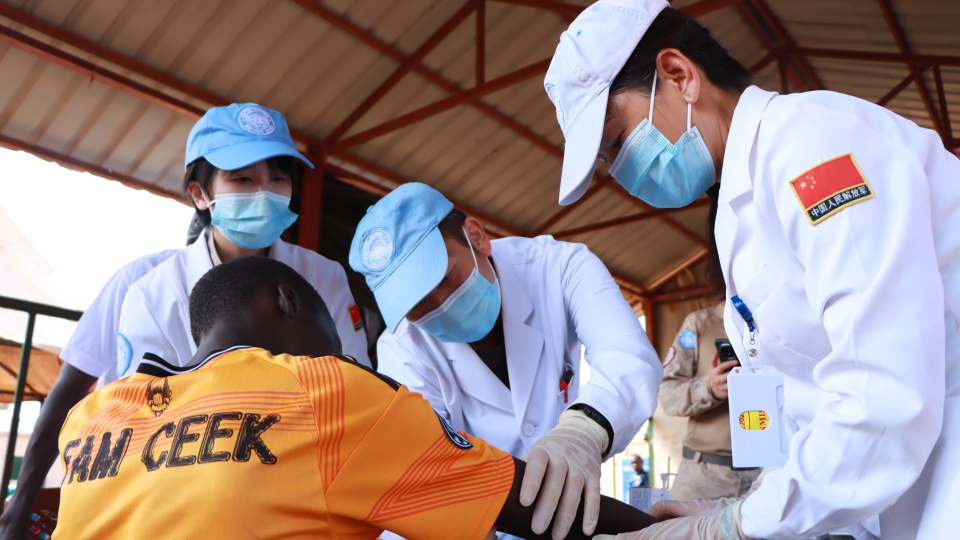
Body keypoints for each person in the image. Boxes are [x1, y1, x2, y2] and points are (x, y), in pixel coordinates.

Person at [544, 0, 960, 538]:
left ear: (678, 75)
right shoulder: (742, 204)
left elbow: (882, 397)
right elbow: (807, 409)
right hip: (898, 500)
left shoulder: (812, 148)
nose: (622, 170)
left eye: (618, 141)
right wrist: (741, 512)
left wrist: (737, 525)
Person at [53, 256, 657, 539]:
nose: (342, 351)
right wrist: (681, 529)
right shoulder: (323, 392)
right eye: (335, 334)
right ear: (288, 301)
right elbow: (529, 504)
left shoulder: (92, 420)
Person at [348, 182, 663, 539]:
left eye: (444, 277)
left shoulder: (559, 267)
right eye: (415, 304)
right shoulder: (402, 346)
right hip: (476, 520)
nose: (439, 306)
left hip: (566, 511)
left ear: (476, 237)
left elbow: (627, 357)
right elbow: (422, 463)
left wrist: (584, 431)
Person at [116, 103, 370, 377]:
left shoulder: (325, 276)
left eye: (278, 178)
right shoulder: (154, 296)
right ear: (199, 194)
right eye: (243, 179)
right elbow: (144, 405)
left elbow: (356, 379)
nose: (264, 193)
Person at [0, 249, 177, 539]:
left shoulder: (274, 273)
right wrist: (18, 509)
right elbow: (69, 389)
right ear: (200, 200)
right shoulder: (141, 277)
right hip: (115, 479)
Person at [658, 304, 760, 500]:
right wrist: (709, 389)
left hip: (766, 477)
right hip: (703, 479)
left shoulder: (779, 321)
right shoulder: (699, 323)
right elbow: (667, 395)